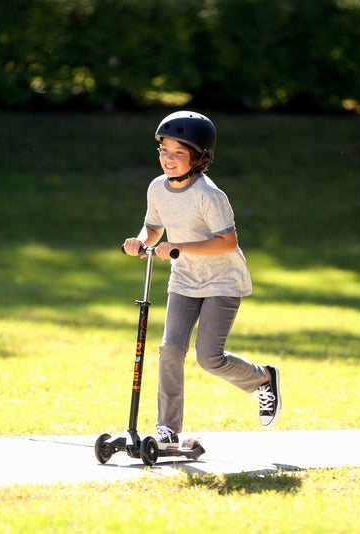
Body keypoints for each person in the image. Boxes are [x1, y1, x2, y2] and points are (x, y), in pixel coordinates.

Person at [122, 111, 282, 449]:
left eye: (179, 152)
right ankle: (168, 430)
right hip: (184, 279)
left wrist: (178, 246)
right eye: (164, 150)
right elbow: (153, 227)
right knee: (170, 350)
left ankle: (264, 378)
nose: (168, 158)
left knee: (209, 357)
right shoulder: (157, 188)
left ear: (199, 157)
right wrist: (140, 241)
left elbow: (228, 243)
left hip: (222, 282)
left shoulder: (210, 195)